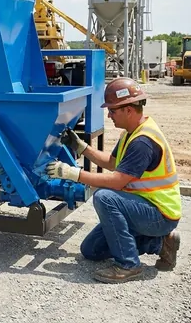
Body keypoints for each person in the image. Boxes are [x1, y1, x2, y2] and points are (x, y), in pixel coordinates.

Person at [45, 77, 182, 284]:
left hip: (160, 214)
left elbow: (116, 181)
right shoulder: (131, 132)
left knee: (105, 197)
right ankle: (159, 244)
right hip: (142, 206)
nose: (109, 115)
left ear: (129, 109)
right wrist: (81, 146)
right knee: (91, 250)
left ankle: (129, 265)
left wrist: (72, 173)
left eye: (112, 110)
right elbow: (112, 163)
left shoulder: (143, 142)